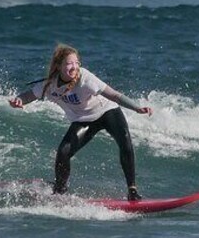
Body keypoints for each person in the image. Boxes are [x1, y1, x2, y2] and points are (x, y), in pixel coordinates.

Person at [9, 44, 153, 200]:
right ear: (59, 66)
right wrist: (19, 100)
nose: (75, 67)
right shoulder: (50, 84)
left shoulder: (85, 78)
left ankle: (132, 190)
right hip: (84, 120)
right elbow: (30, 95)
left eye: (77, 63)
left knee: (124, 140)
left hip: (108, 112)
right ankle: (60, 191)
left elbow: (114, 95)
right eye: (70, 63)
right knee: (63, 152)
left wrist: (136, 108)